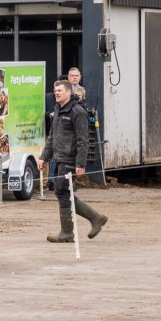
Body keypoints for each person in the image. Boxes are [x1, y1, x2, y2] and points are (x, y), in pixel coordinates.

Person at [41, 79, 107, 243]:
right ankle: (95, 218)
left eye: (60, 91)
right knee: (62, 192)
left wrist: (80, 164)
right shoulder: (58, 109)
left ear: (69, 93)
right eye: (55, 90)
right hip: (59, 158)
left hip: (70, 159)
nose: (56, 93)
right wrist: (44, 157)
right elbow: (52, 137)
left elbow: (83, 140)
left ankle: (67, 232)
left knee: (63, 192)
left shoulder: (77, 112)